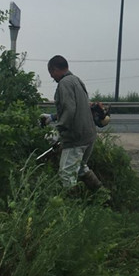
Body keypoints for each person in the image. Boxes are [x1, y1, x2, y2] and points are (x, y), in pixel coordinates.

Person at [44, 55, 102, 191]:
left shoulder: (64, 83)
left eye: (51, 73)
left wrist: (58, 130)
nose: (52, 76)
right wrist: (52, 117)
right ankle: (103, 196)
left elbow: (69, 110)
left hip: (76, 138)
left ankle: (72, 202)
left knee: (66, 174)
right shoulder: (77, 80)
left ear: (55, 69)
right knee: (81, 167)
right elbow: (78, 107)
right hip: (89, 135)